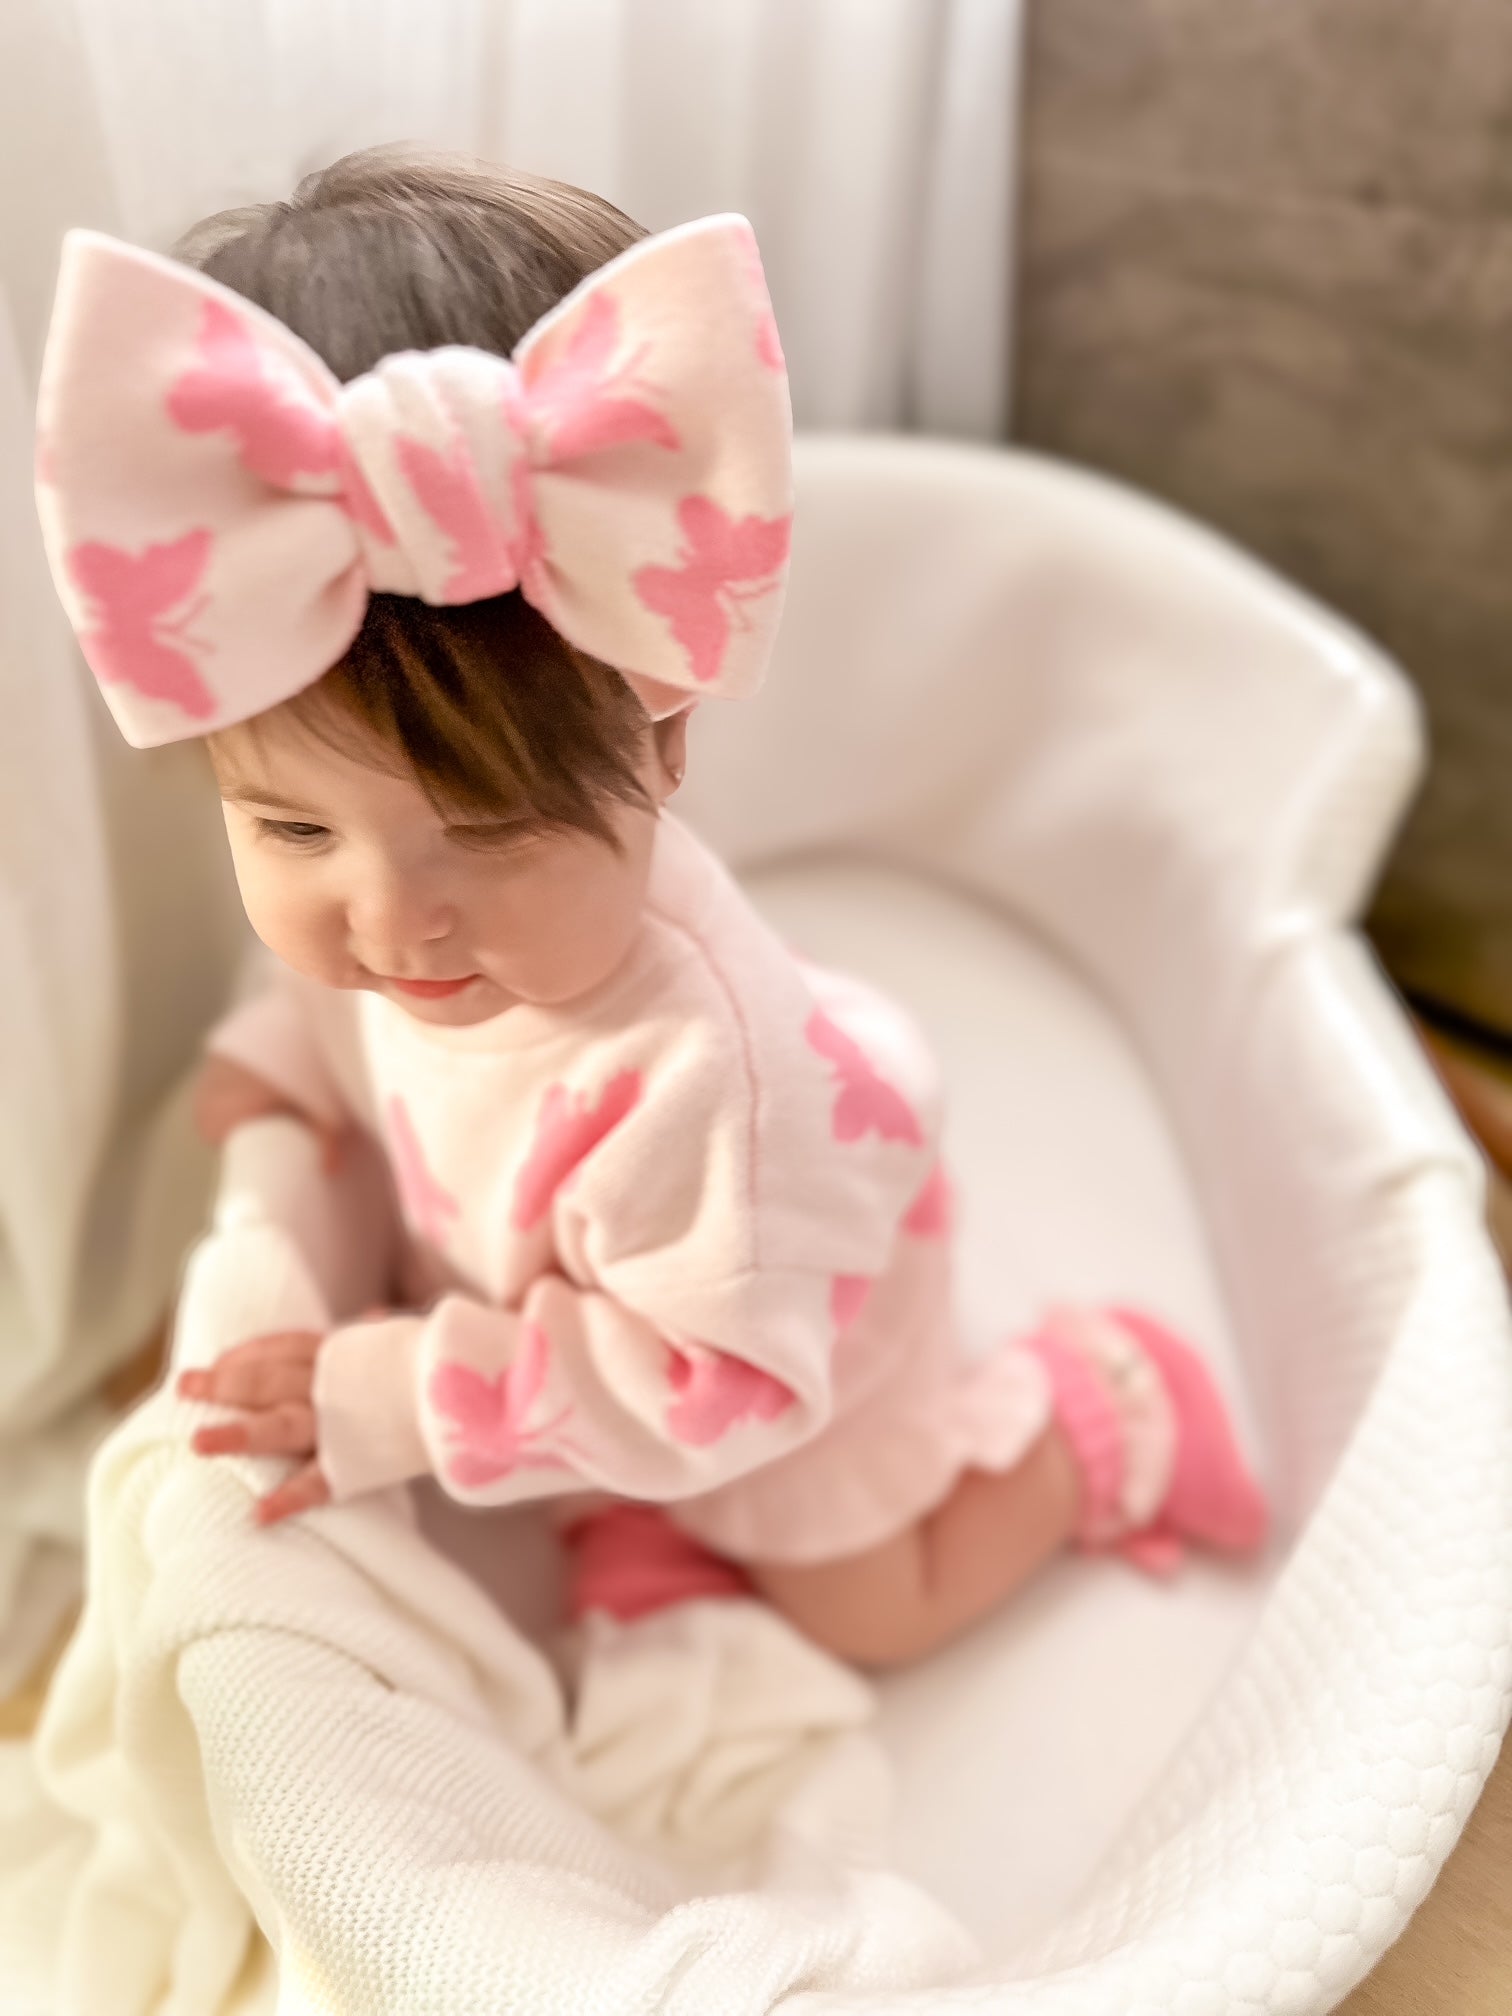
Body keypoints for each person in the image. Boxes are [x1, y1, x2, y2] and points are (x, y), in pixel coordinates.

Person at [34, 146, 1266, 1671]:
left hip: (766, 1328)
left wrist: (406, 1396)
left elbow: (713, 1390)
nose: (389, 923)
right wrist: (292, 1059)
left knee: (875, 1611)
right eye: (292, 826)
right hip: (627, 1282)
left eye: (483, 832)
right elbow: (343, 994)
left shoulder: (707, 1098)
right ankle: (603, 1462)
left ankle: (1100, 1416)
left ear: (667, 732)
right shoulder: (413, 929)